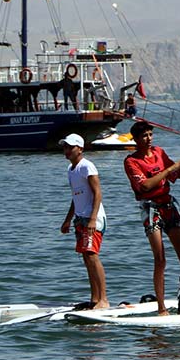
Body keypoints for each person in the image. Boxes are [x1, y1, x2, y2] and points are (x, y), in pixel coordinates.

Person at [123, 119, 180, 315]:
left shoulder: (159, 153)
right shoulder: (131, 161)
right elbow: (145, 186)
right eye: (144, 136)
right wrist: (169, 169)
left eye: (150, 135)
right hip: (151, 210)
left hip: (168, 207)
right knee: (160, 259)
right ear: (136, 139)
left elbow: (176, 175)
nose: (148, 139)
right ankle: (161, 307)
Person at [59, 133, 109, 310]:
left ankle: (104, 299)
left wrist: (93, 219)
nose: (67, 150)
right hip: (80, 218)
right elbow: (75, 197)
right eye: (65, 147)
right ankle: (94, 298)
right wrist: (67, 220)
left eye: (70, 147)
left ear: (80, 149)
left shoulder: (87, 167)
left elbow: (97, 193)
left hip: (92, 218)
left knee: (92, 255)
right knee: (86, 258)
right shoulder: (70, 170)